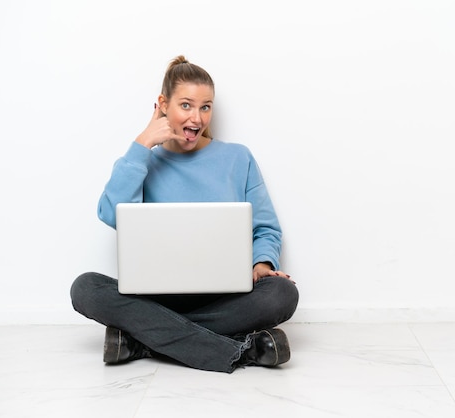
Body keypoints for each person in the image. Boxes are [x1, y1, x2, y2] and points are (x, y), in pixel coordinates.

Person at [70, 55, 299, 373]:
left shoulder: (237, 157)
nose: (198, 116)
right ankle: (242, 351)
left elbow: (266, 228)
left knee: (282, 294)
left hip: (226, 297)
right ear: (163, 105)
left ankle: (141, 340)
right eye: (187, 105)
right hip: (159, 297)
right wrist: (142, 143)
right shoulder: (143, 161)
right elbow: (111, 214)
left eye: (206, 106)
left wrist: (262, 263)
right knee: (85, 288)